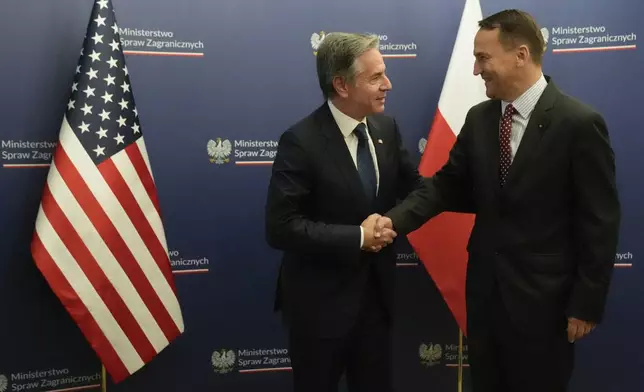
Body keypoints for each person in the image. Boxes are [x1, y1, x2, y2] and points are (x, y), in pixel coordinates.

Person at [374, 9, 620, 392]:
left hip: (546, 306)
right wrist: (394, 221)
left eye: (483, 58)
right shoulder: (479, 119)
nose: (476, 70)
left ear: (520, 55)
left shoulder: (578, 123)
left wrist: (586, 304)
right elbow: (444, 187)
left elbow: (599, 222)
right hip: (485, 300)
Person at [264, 32, 422, 392]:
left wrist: (389, 223)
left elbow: (416, 190)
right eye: (375, 77)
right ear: (341, 85)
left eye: (384, 73)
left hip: (376, 304)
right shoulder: (301, 141)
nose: (388, 84)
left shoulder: (386, 128)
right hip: (320, 310)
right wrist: (360, 237)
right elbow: (281, 227)